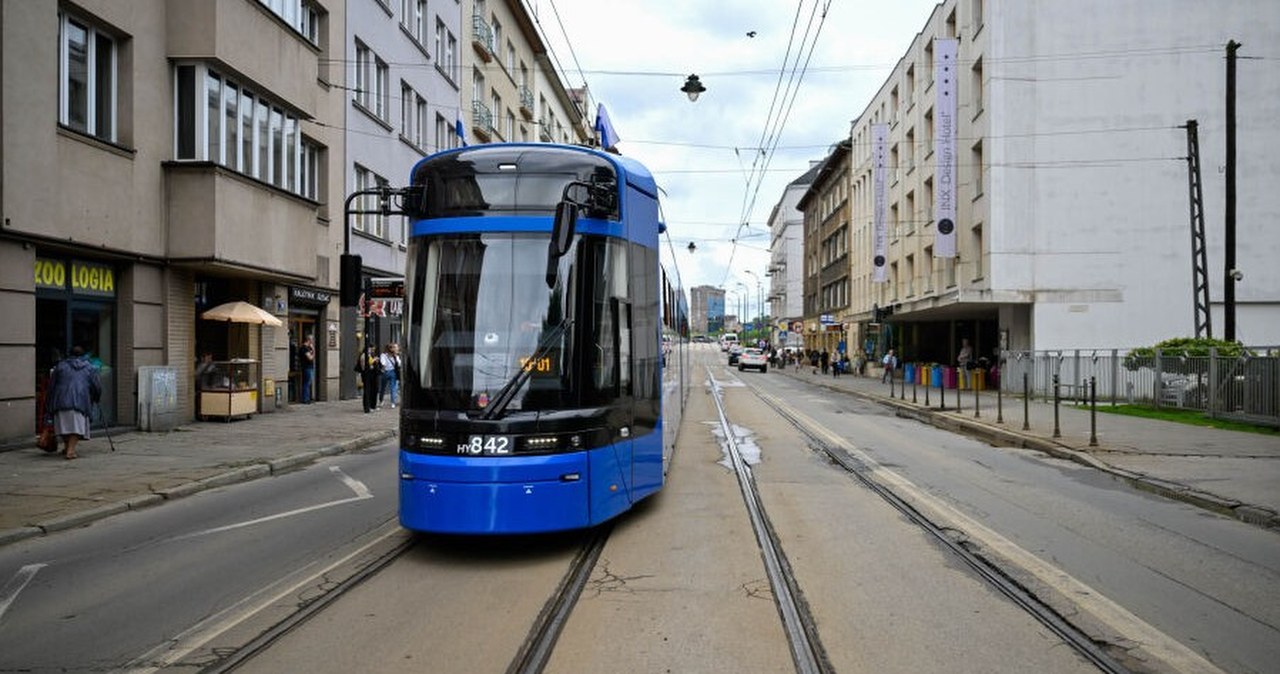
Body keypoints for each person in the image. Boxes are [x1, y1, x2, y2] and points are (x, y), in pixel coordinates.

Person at [45, 346, 102, 460]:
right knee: (76, 427)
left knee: (63, 426)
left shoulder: (61, 366)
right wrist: (96, 397)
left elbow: (52, 385)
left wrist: (49, 401)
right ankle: (70, 451)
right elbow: (96, 385)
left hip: (60, 400)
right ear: (83, 355)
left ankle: (67, 447)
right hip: (80, 401)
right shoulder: (89, 367)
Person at [356, 344, 381, 413]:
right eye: (371, 349)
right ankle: (368, 406)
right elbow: (365, 365)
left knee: (374, 390)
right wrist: (374, 360)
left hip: (373, 375)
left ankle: (373, 405)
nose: (372, 350)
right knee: (368, 390)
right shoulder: (364, 355)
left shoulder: (371, 355)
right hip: (367, 375)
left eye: (373, 349)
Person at [379, 342, 402, 408]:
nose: (394, 349)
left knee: (383, 387)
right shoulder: (395, 356)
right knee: (392, 388)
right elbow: (399, 364)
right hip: (392, 372)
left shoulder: (383, 355)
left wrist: (382, 369)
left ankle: (381, 401)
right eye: (393, 348)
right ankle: (393, 403)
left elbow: (383, 364)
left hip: (386, 372)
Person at [194, 352, 216, 419]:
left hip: (207, 386)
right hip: (201, 386)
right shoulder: (201, 365)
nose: (210, 359)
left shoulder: (211, 366)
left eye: (210, 357)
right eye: (208, 357)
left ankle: (207, 413)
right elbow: (196, 374)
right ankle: (201, 413)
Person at [299, 335, 316, 403]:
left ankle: (307, 398)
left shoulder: (308, 348)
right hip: (306, 367)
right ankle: (305, 399)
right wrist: (313, 350)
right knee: (307, 383)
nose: (313, 341)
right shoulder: (304, 348)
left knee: (308, 383)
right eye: (312, 340)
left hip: (309, 367)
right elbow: (310, 358)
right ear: (309, 340)